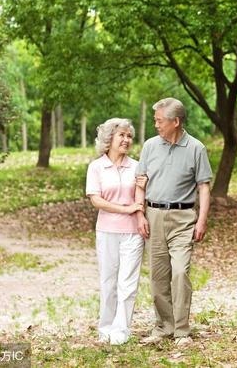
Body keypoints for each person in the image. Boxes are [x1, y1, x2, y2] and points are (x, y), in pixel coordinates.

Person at [135, 97, 212, 346]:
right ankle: (163, 326)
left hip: (183, 218)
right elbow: (140, 182)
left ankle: (181, 330)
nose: (156, 124)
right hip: (154, 216)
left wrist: (201, 220)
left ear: (175, 121)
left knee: (180, 272)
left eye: (159, 120)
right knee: (158, 276)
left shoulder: (196, 148)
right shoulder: (149, 146)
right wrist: (140, 213)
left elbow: (203, 186)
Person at [85, 118, 147, 345]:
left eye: (129, 136)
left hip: (133, 233)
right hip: (106, 231)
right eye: (122, 135)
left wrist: (138, 211)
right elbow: (96, 200)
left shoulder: (138, 166)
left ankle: (121, 330)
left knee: (128, 283)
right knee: (108, 282)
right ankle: (106, 328)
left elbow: (141, 196)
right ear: (109, 138)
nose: (126, 140)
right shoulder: (96, 167)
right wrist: (126, 208)